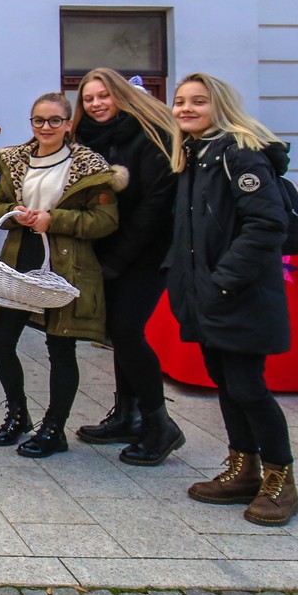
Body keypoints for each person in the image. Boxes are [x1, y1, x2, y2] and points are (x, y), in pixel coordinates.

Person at [169, 73, 298, 525]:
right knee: (226, 384)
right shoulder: (194, 153)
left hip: (239, 294)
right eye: (180, 101)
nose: (186, 108)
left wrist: (222, 281)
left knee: (248, 387)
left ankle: (280, 479)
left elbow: (266, 226)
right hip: (207, 294)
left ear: (219, 105)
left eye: (198, 101)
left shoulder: (239, 152)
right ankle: (244, 468)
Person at [0, 93, 119, 459]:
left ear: (68, 124)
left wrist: (53, 219)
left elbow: (105, 221)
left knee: (60, 348)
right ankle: (18, 413)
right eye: (38, 121)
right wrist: (14, 211)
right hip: (19, 258)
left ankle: (54, 427)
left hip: (66, 264)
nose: (46, 128)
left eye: (54, 121)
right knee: (0, 339)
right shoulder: (14, 160)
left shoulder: (89, 166)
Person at [71, 69, 185, 466]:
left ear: (121, 95)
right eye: (88, 98)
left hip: (149, 249)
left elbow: (154, 207)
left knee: (127, 330)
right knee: (116, 332)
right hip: (111, 248)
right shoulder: (87, 138)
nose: (97, 104)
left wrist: (118, 260)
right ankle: (127, 414)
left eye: (104, 96)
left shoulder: (149, 135)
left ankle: (160, 424)